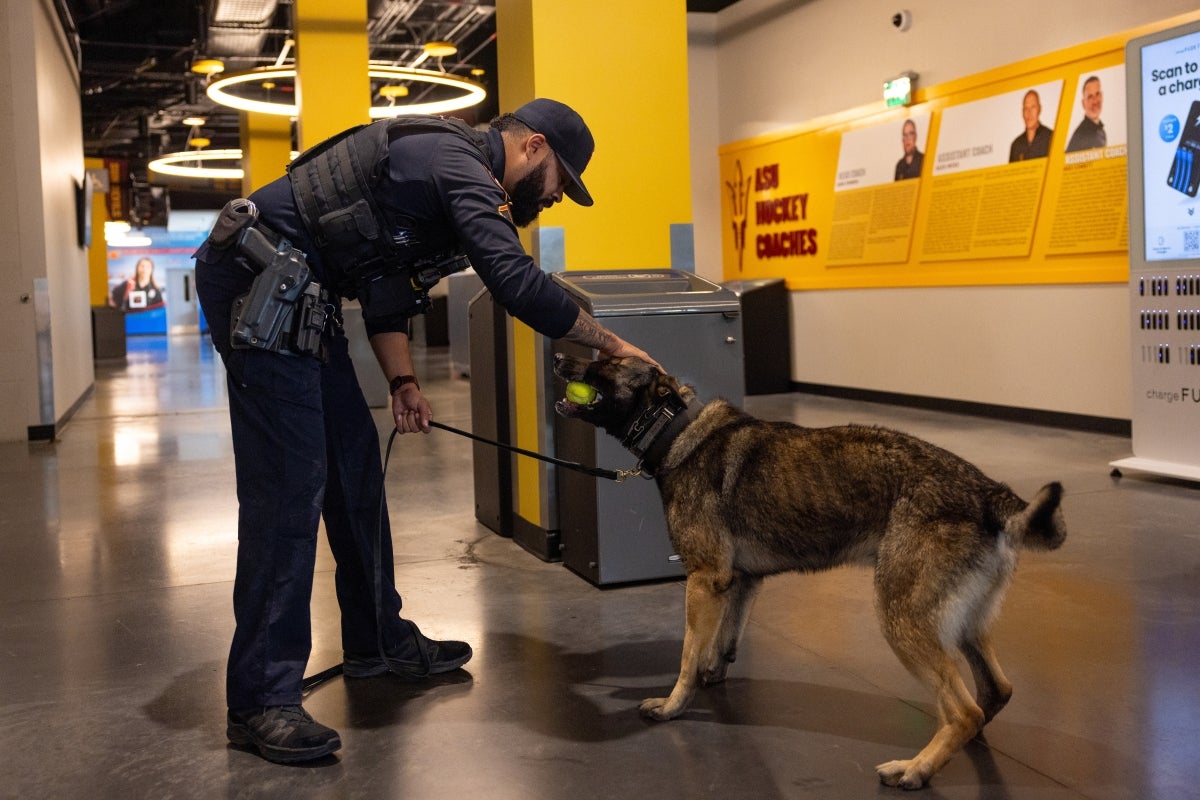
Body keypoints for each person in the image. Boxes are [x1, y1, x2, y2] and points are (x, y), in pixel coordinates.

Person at [193, 98, 659, 765]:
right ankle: (260, 699)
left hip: (302, 291)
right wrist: (614, 346)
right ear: (531, 146)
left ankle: (377, 641)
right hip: (257, 281)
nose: (557, 198)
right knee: (289, 489)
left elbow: (383, 286)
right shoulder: (457, 162)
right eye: (562, 180)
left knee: (353, 469)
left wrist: (403, 382)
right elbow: (514, 281)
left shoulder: (441, 173)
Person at [1009, 89, 1053, 162]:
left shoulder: (1052, 138)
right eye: (1026, 108)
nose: (1029, 113)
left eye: (1033, 107)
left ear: (1039, 109)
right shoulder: (1016, 145)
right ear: (1022, 112)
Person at [1065, 75, 1106, 152]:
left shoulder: (1101, 131)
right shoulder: (1082, 135)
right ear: (1083, 104)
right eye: (1090, 97)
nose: (1095, 100)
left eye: (1097, 94)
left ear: (1102, 96)